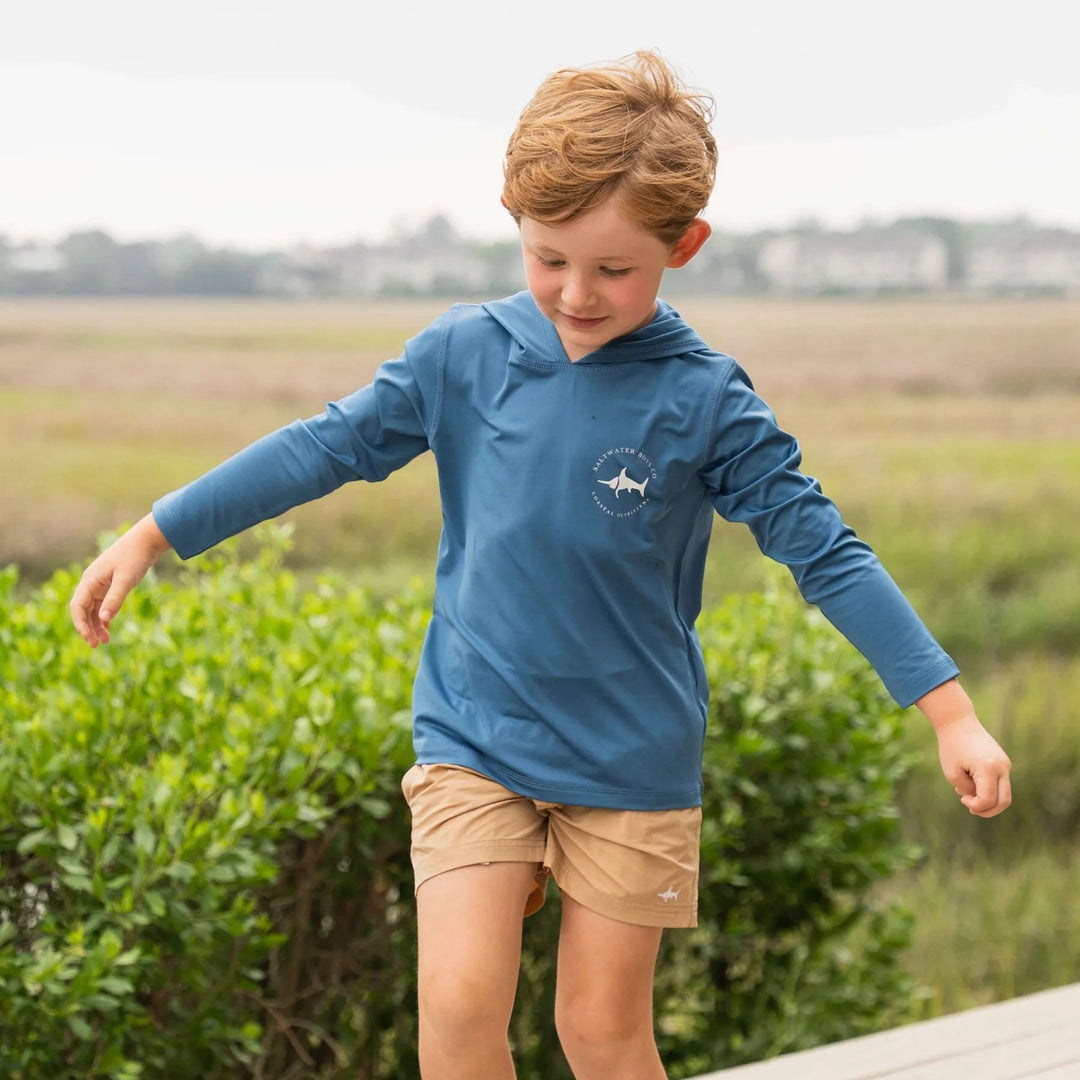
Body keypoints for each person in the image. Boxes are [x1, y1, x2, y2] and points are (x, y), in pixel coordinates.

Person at [70, 50, 1012, 1080]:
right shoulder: (459, 355)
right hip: (475, 735)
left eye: (614, 269)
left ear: (684, 245)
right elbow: (320, 447)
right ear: (516, 224)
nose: (574, 293)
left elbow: (824, 552)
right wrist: (157, 530)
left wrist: (949, 711)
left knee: (600, 1037)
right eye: (547, 257)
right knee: (459, 1006)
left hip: (631, 759)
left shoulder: (708, 402)